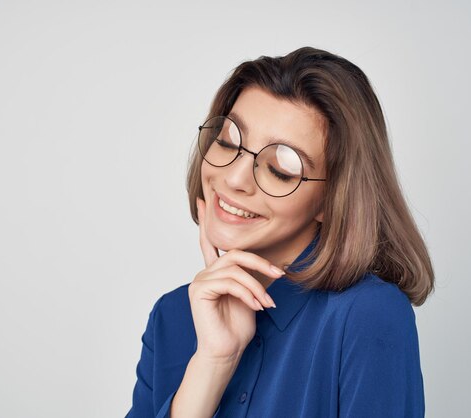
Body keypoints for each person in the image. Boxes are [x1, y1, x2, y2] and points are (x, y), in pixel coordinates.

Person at [125, 46, 434, 418]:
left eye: (281, 169)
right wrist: (213, 362)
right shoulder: (172, 316)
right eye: (227, 141)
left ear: (331, 199)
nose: (234, 179)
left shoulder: (368, 315)